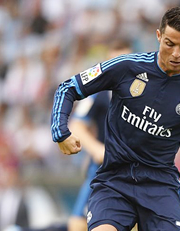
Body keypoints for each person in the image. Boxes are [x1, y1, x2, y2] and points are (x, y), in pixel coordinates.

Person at [51, 6, 180, 231]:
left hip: (160, 188)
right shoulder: (126, 67)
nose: (176, 53)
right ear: (158, 36)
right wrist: (60, 132)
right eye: (169, 44)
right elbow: (69, 87)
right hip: (113, 181)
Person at [67, 39, 132, 231]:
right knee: (77, 224)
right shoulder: (100, 93)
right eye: (113, 63)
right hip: (103, 169)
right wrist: (97, 149)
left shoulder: (146, 93)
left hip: (136, 170)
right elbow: (76, 125)